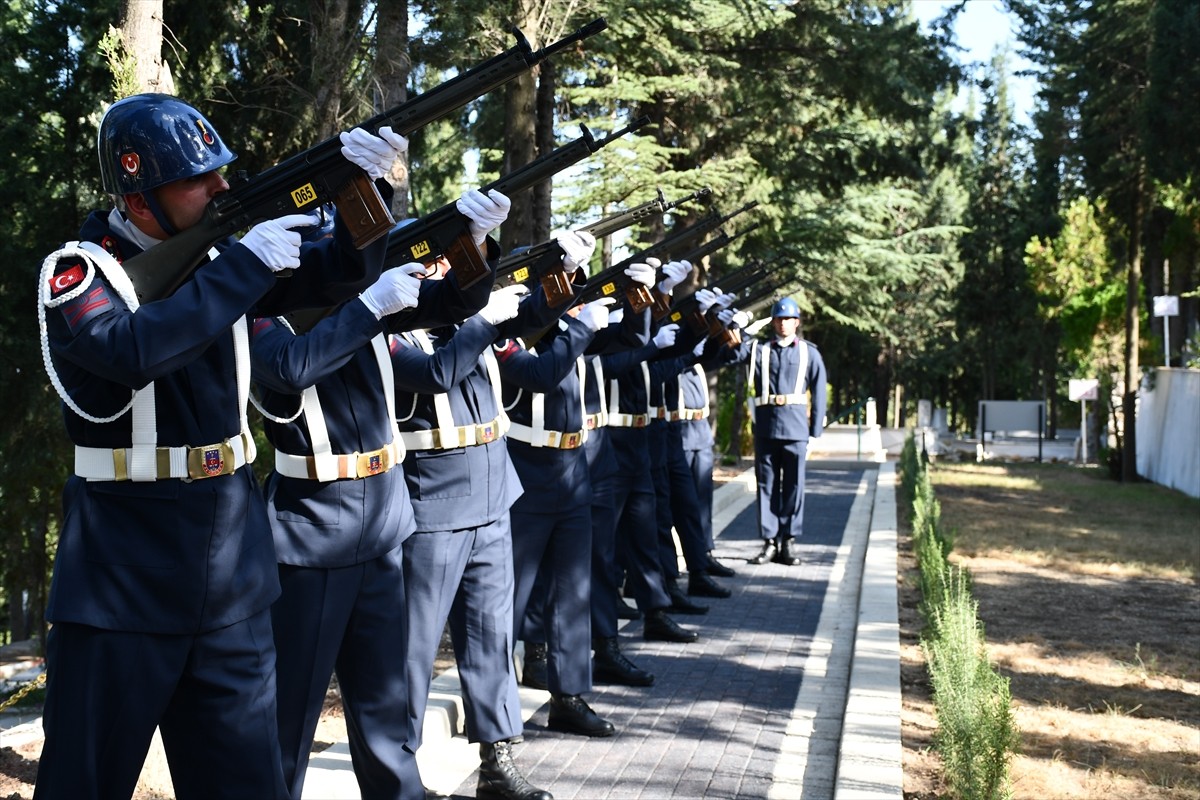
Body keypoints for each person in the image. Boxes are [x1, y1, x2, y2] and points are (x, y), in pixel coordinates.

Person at [34, 93, 405, 799]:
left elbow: (339, 273)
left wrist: (370, 190)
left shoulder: (222, 256)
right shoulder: (78, 273)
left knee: (247, 784)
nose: (222, 188)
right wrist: (244, 266)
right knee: (85, 782)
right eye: (197, 179)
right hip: (123, 578)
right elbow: (132, 348)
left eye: (220, 173)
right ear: (140, 198)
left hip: (232, 572)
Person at [249, 192, 507, 800]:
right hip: (313, 530)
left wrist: (472, 243)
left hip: (384, 522)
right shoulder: (266, 320)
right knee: (290, 717)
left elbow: (461, 300)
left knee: (385, 714)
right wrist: (366, 305)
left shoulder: (364, 311)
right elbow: (291, 369)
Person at [391, 272, 563, 800]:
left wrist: (564, 278)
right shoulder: (395, 332)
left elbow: (535, 329)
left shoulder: (473, 323)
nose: (452, 281)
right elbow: (433, 376)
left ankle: (496, 760)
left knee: (492, 639)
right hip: (435, 505)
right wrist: (481, 322)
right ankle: (400, 773)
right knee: (412, 651)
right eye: (437, 272)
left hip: (493, 496)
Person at [498, 242, 655, 737]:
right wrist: (577, 323)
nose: (566, 286)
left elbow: (633, 341)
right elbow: (542, 375)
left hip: (574, 466)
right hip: (527, 466)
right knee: (512, 595)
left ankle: (569, 697)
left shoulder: (570, 325)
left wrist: (639, 291)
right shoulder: (512, 330)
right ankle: (494, 701)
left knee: (573, 590)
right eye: (558, 277)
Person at [731, 296, 827, 566]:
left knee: (795, 486)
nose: (783, 323)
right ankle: (770, 541)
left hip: (796, 429)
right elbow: (734, 352)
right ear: (772, 322)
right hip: (766, 427)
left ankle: (788, 541)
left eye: (788, 319)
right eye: (779, 318)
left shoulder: (809, 352)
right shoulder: (760, 350)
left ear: (796, 322)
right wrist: (743, 329)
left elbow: (819, 391)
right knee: (766, 486)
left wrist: (815, 431)